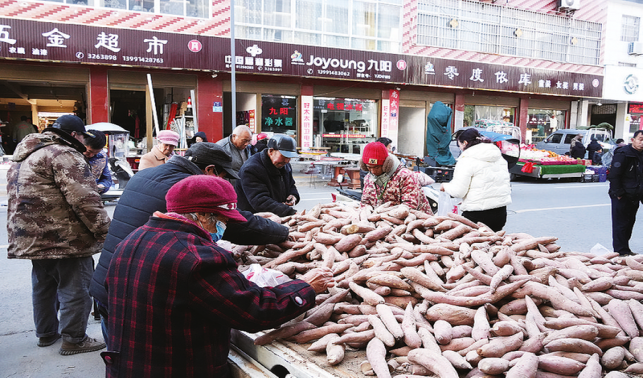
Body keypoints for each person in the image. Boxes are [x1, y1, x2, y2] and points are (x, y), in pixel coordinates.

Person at [103, 175, 334, 377]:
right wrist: (306, 287)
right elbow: (256, 311)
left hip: (128, 366)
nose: (225, 225)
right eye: (223, 219)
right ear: (203, 215)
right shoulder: (199, 258)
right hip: (177, 370)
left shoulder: (132, 239)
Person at [90, 142, 290, 346]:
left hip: (112, 280)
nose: (223, 182)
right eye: (223, 176)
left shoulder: (146, 174)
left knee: (120, 355)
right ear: (210, 170)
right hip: (140, 293)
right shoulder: (190, 187)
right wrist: (283, 231)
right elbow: (238, 225)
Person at [7, 114, 110, 355]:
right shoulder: (63, 154)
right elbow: (85, 199)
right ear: (74, 135)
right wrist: (106, 232)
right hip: (65, 237)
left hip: (29, 235)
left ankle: (46, 334)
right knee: (75, 289)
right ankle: (74, 339)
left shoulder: (25, 153)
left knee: (43, 286)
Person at [440, 128, 511, 231]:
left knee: (473, 246)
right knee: (494, 243)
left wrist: (445, 186)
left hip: (476, 216)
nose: (460, 148)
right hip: (500, 213)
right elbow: (492, 184)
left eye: (459, 144)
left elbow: (458, 191)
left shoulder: (467, 159)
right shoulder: (498, 157)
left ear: (465, 143)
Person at [236, 134, 300, 217]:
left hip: (277, 216)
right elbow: (260, 201)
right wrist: (289, 211)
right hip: (253, 219)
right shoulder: (251, 169)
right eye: (284, 156)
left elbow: (291, 185)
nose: (287, 160)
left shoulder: (284, 165)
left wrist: (293, 196)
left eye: (290, 157)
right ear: (271, 151)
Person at [360, 141, 432, 213]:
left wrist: (385, 215)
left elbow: (410, 206)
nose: (372, 171)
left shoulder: (405, 176)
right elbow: (365, 202)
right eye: (369, 167)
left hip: (417, 221)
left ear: (386, 164)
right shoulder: (368, 178)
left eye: (376, 167)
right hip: (382, 221)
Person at [607, 130, 643, 256]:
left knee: (629, 224)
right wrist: (619, 193)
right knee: (620, 225)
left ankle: (625, 249)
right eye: (640, 139)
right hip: (622, 195)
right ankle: (620, 252)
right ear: (633, 140)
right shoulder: (623, 153)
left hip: (635, 195)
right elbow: (614, 175)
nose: (642, 143)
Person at [83, 129, 112, 194]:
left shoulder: (102, 156)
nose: (91, 155)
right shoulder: (73, 155)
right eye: (89, 151)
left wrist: (102, 186)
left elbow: (107, 179)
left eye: (95, 153)